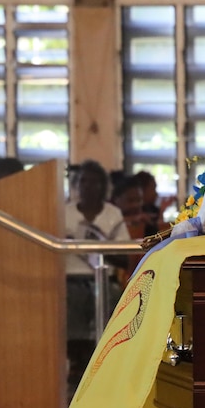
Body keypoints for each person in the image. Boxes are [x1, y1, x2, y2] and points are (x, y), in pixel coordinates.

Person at [65, 159, 132, 383]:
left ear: (103, 186)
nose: (88, 187)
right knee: (70, 302)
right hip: (71, 279)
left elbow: (123, 257)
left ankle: (103, 363)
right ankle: (77, 364)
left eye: (94, 182)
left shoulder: (112, 214)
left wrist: (97, 244)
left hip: (104, 279)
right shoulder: (65, 214)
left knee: (110, 299)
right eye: (83, 181)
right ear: (76, 185)